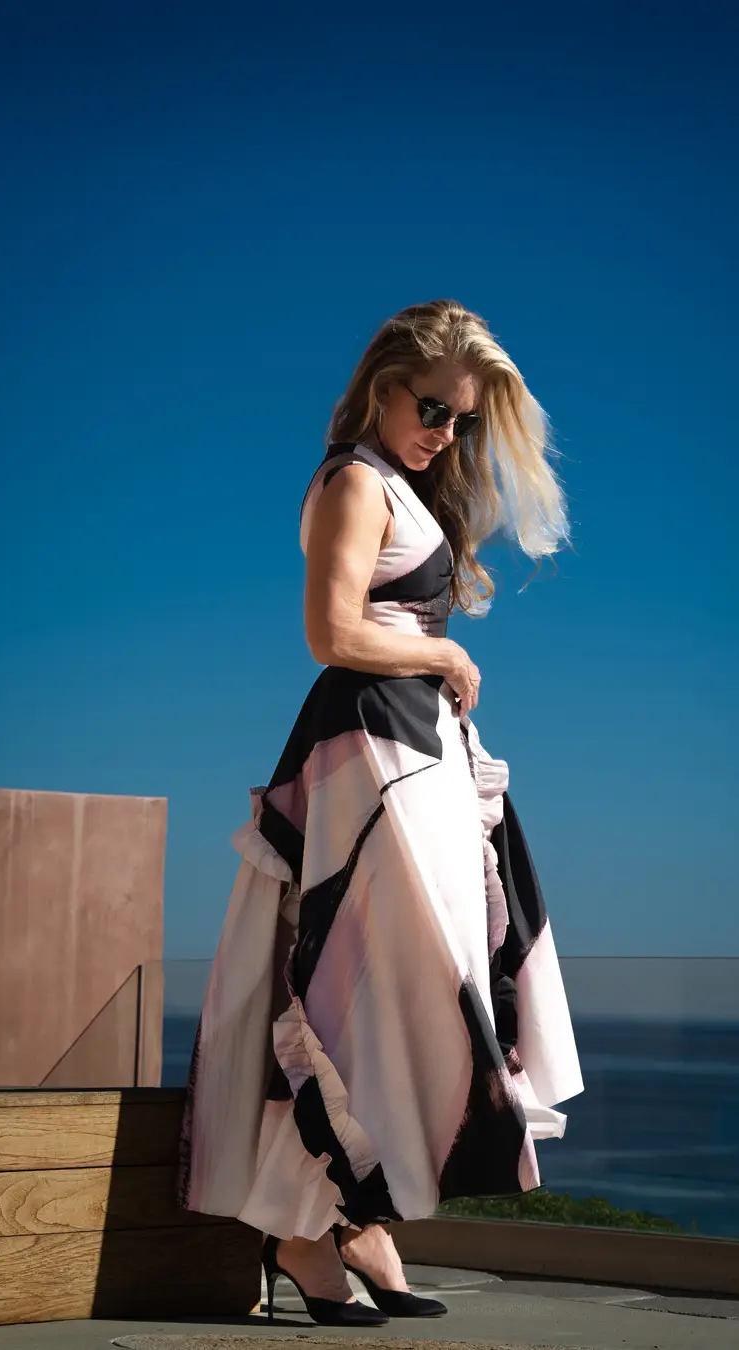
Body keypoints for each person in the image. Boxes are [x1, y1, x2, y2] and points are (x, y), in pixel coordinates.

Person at [177, 299, 583, 1326]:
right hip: (369, 754)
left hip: (409, 754)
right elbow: (329, 632)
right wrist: (442, 651)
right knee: (363, 991)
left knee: (409, 992)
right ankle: (305, 1231)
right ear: (380, 387)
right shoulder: (355, 482)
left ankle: (353, 1220)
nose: (444, 432)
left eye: (462, 420)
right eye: (432, 408)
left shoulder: (398, 485)